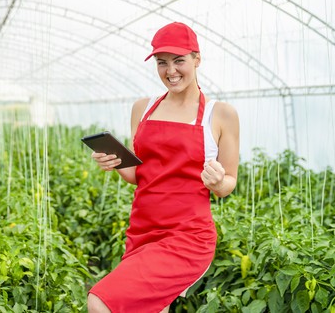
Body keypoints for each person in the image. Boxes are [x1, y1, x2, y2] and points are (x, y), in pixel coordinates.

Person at [87, 22, 240, 313]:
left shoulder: (219, 114)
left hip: (187, 238)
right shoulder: (142, 108)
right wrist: (116, 162)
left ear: (197, 59)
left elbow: (228, 182)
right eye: (162, 63)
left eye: (179, 61)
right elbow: (138, 176)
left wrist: (218, 182)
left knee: (100, 301)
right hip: (142, 232)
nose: (171, 71)